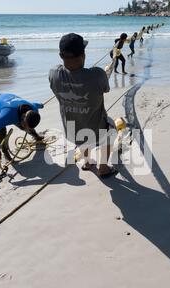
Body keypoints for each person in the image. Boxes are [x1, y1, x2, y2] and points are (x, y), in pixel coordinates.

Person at [49, 33, 118, 179]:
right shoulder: (97, 74)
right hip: (94, 133)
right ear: (83, 55)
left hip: (72, 133)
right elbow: (105, 88)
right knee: (112, 128)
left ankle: (87, 162)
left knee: (82, 123)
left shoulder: (54, 74)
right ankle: (104, 167)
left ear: (61, 55)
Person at [0, 93, 44, 161]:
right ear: (23, 116)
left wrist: (41, 105)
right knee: (0, 130)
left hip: (5, 98)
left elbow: (37, 104)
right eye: (25, 125)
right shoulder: (8, 115)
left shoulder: (34, 108)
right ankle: (5, 153)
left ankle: (36, 136)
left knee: (25, 126)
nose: (26, 128)